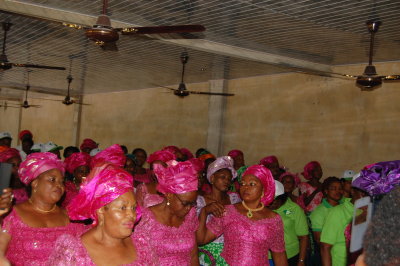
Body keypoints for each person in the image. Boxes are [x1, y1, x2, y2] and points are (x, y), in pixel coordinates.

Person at [48, 163, 156, 265]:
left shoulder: (141, 243)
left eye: (133, 208)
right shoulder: (74, 251)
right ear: (100, 209)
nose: (131, 215)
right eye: (123, 208)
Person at [0, 152, 85, 265]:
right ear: (35, 183)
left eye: (61, 181)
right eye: (52, 179)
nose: (59, 185)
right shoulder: (11, 215)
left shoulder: (70, 217)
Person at [197, 165, 288, 266]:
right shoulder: (228, 211)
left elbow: (279, 255)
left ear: (263, 189)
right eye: (243, 183)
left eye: (252, 184)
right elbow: (201, 239)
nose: (245, 187)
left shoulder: (273, 219)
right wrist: (204, 212)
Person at [133, 160, 200, 265]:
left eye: (192, 203)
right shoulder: (146, 219)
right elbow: (139, 258)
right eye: (185, 203)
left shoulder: (190, 215)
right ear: (170, 195)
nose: (189, 208)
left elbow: (194, 255)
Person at [196, 156, 241, 265]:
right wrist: (205, 211)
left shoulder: (234, 199)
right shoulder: (200, 201)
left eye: (229, 179)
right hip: (208, 251)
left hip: (231, 250)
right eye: (222, 177)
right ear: (212, 178)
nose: (226, 181)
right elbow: (195, 229)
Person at [320, 186, 367, 266]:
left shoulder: (371, 209)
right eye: (363, 192)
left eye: (369, 193)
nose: (366, 196)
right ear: (352, 191)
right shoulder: (337, 212)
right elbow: (325, 247)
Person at [268, 181, 309, 266]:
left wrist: (301, 261)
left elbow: (304, 237)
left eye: (275, 200)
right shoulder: (261, 208)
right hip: (266, 256)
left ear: (282, 198)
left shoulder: (293, 209)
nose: (272, 203)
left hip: (290, 255)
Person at [310, 177, 345, 244]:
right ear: (326, 191)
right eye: (333, 189)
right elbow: (318, 238)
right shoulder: (319, 212)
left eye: (340, 188)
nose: (338, 191)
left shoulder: (345, 206)